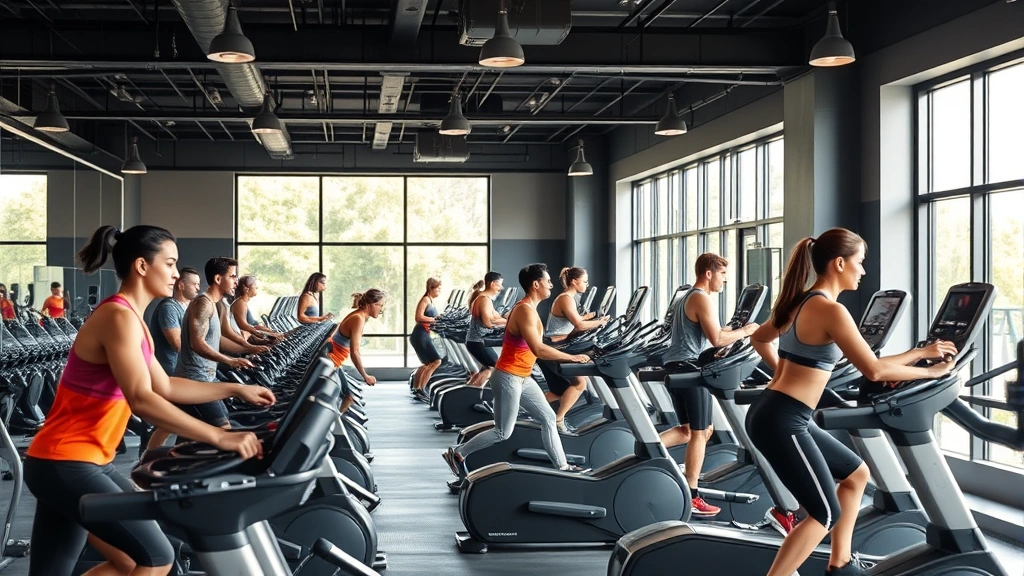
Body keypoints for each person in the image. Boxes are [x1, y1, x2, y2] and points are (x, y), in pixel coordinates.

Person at [23, 225, 274, 576]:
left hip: (75, 461)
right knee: (155, 558)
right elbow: (141, 399)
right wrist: (219, 435)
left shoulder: (133, 321)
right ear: (142, 266)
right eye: (170, 264)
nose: (176, 274)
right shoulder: (118, 317)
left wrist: (233, 389)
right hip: (67, 462)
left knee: (117, 562)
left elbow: (166, 387)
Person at [746, 229, 957, 576]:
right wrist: (930, 369)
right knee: (824, 513)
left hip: (776, 409)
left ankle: (840, 563)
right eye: (860, 263)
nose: (862, 271)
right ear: (840, 263)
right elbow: (873, 370)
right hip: (784, 418)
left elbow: (759, 338)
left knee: (856, 474)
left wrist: (786, 374)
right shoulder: (831, 310)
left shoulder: (799, 300)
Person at [442, 263, 591, 475]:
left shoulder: (530, 309)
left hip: (523, 377)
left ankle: (564, 467)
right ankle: (458, 453)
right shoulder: (524, 311)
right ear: (536, 284)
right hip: (508, 377)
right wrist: (573, 358)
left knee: (548, 418)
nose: (551, 284)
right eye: (547, 281)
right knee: (503, 432)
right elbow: (538, 349)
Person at [659, 253, 758, 518]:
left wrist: (732, 330)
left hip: (678, 365)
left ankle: (648, 448)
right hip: (689, 368)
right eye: (723, 274)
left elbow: (713, 333)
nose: (725, 280)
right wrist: (747, 332)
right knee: (700, 432)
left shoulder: (689, 297)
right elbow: (716, 340)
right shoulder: (702, 298)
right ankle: (692, 494)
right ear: (709, 273)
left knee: (689, 430)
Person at [172, 257, 267, 429]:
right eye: (232, 276)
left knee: (191, 434)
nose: (236, 281)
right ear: (218, 279)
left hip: (206, 377)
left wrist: (252, 348)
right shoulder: (204, 303)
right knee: (223, 426)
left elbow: (224, 336)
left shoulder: (216, 304)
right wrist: (229, 360)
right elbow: (197, 344)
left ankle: (158, 455)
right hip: (195, 380)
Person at [539, 266, 610, 432]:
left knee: (559, 391)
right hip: (553, 346)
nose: (587, 284)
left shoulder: (568, 298)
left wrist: (592, 318)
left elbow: (575, 322)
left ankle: (522, 411)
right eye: (584, 281)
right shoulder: (566, 298)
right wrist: (601, 322)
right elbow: (579, 324)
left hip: (555, 344)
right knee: (579, 383)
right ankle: (558, 420)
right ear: (574, 281)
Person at [143, 266, 202, 453]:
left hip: (181, 370)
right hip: (169, 371)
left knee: (181, 417)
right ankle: (147, 457)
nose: (198, 289)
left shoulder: (186, 308)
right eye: (195, 285)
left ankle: (177, 454)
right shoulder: (169, 308)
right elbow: (177, 343)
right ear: (182, 285)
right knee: (170, 420)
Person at [329, 290, 385, 414]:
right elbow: (355, 352)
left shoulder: (359, 316)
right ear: (371, 304)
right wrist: (365, 376)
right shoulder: (358, 319)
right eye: (380, 305)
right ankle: (331, 424)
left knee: (349, 396)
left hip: (334, 360)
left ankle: (334, 422)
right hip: (332, 360)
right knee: (348, 396)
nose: (381, 309)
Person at [465, 272, 507, 388]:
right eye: (499, 284)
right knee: (494, 367)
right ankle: (473, 395)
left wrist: (504, 321)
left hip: (475, 341)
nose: (501, 288)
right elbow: (487, 323)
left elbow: (496, 317)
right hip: (478, 342)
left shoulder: (485, 299)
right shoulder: (484, 299)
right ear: (493, 283)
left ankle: (467, 392)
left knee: (487, 368)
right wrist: (502, 323)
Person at [410, 277, 443, 394]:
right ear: (431, 288)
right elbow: (418, 317)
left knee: (428, 363)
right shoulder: (425, 300)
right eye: (438, 289)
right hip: (420, 334)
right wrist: (434, 320)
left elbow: (433, 317)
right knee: (436, 361)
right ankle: (422, 389)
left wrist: (440, 318)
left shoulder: (431, 301)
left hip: (423, 334)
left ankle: (417, 389)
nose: (440, 291)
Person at [231, 276, 284, 343]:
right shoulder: (240, 303)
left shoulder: (242, 303)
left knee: (279, 336)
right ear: (246, 289)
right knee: (276, 340)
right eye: (255, 286)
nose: (257, 288)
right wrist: (260, 333)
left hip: (250, 333)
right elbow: (243, 325)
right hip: (244, 337)